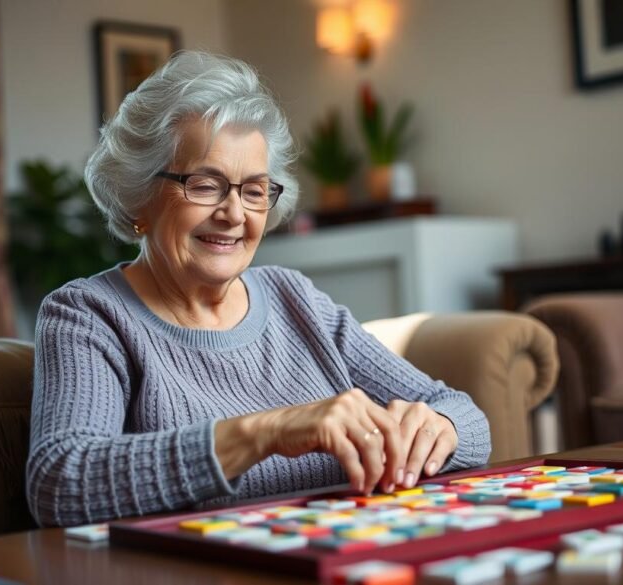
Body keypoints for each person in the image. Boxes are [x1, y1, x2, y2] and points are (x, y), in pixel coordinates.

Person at [27, 51, 491, 527]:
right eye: (205, 185)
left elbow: (465, 417)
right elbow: (61, 483)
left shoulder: (295, 299)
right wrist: (263, 433)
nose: (234, 214)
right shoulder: (88, 315)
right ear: (138, 194)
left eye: (253, 191)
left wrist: (441, 429)